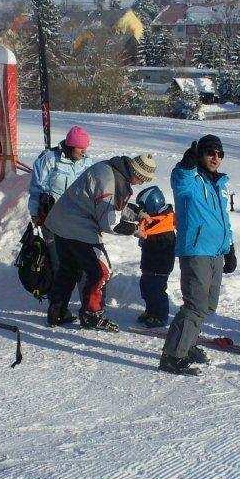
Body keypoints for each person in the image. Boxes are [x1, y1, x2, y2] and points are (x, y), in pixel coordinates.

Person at [44, 153, 157, 331]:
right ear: (137, 174)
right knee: (101, 272)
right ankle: (92, 315)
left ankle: (57, 312)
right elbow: (110, 223)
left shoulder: (110, 167)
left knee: (68, 269)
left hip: (59, 222)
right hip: (78, 227)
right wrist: (135, 230)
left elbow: (113, 204)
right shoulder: (112, 182)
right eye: (142, 179)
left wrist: (136, 214)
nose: (141, 183)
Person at [160, 135, 236, 376]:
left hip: (216, 251)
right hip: (196, 251)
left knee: (207, 305)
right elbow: (179, 179)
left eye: (219, 154)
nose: (215, 158)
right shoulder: (190, 180)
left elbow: (224, 219)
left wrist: (230, 248)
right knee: (195, 305)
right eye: (210, 153)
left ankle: (189, 344)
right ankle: (172, 356)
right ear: (200, 155)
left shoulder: (220, 184)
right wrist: (187, 163)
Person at [27, 125, 94, 272]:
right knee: (57, 257)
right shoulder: (50, 159)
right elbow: (36, 188)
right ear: (70, 146)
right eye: (80, 147)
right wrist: (34, 213)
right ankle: (55, 289)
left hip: (76, 218)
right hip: (52, 217)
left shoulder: (86, 162)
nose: (84, 151)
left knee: (77, 257)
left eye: (85, 147)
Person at [134, 185, 177, 328]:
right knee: (146, 288)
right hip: (149, 264)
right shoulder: (153, 220)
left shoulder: (164, 222)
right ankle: (151, 311)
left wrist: (144, 236)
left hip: (159, 266)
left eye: (144, 207)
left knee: (157, 291)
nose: (143, 211)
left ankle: (160, 316)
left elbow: (157, 240)